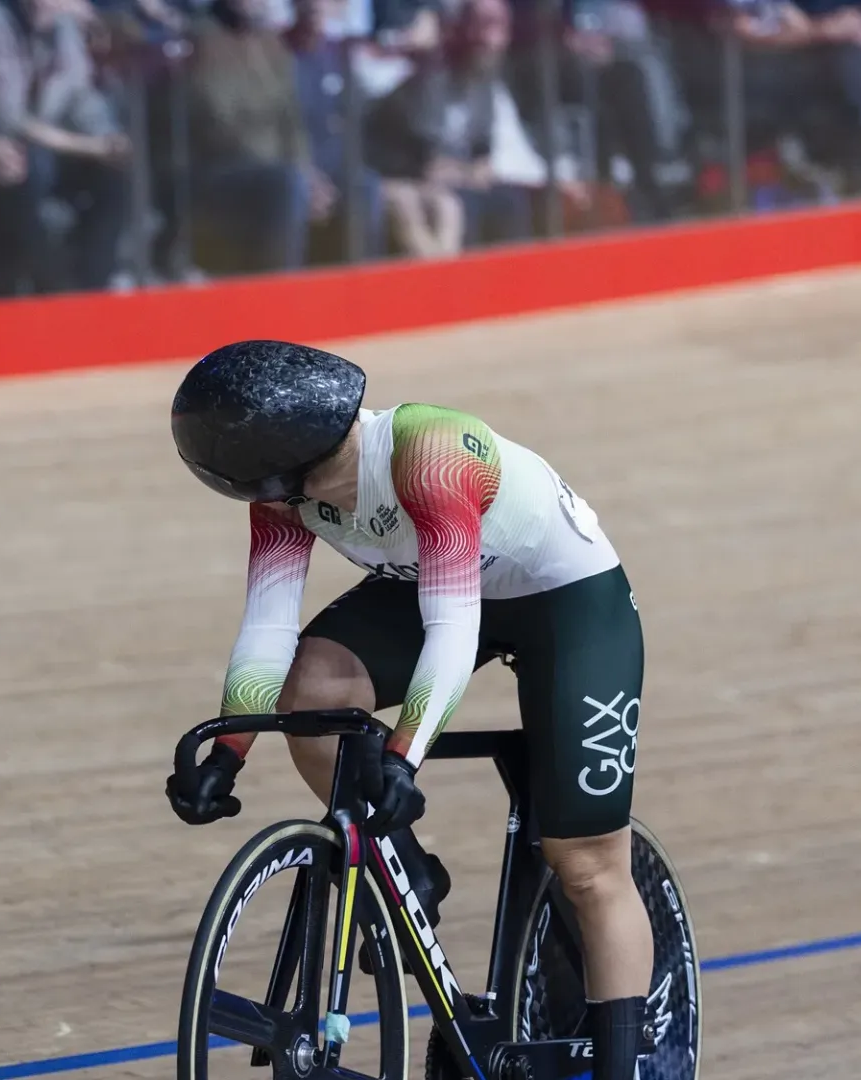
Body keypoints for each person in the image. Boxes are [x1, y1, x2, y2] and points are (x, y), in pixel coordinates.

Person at [164, 340, 656, 1080]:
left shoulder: (428, 456)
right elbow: (268, 628)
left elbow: (453, 632)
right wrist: (229, 750)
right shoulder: (283, 494)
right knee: (313, 696)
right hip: (428, 579)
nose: (277, 503)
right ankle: (409, 871)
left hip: (565, 603)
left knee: (586, 865)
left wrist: (403, 755)